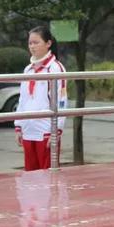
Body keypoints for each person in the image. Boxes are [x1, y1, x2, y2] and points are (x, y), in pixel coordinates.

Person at [14, 26, 68, 171]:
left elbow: (61, 102)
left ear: (48, 43)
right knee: (30, 178)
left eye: (36, 42)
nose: (32, 46)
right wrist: (18, 126)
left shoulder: (55, 68)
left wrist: (56, 130)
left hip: (46, 130)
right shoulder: (28, 69)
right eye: (30, 43)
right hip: (28, 129)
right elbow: (22, 100)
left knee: (48, 175)